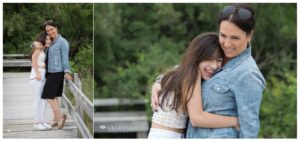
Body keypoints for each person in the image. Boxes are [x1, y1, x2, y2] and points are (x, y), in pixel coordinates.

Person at [151, 4, 266, 138]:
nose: (227, 44)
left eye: (235, 38)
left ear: (249, 35)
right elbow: (186, 69)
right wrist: (160, 82)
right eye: (223, 35)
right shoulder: (219, 57)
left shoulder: (248, 74)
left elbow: (249, 128)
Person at [148, 32, 239, 139]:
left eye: (219, 60)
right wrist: (236, 121)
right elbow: (197, 118)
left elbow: (164, 78)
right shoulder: (193, 74)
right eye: (209, 58)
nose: (214, 66)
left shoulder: (181, 71)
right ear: (198, 56)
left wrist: (157, 83)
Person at [41, 20, 73, 129]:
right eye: (47, 31)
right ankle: (55, 119)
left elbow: (65, 59)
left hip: (57, 72)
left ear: (56, 28)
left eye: (51, 29)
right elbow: (43, 55)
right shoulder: (49, 41)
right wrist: (46, 46)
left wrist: (67, 71)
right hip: (49, 72)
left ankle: (60, 117)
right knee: (54, 96)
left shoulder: (63, 42)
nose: (50, 32)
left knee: (47, 95)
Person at [30, 32, 52, 130]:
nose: (49, 41)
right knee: (37, 99)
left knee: (43, 99)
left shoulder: (43, 49)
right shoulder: (38, 48)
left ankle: (42, 120)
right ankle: (36, 122)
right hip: (37, 75)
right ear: (42, 40)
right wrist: (38, 73)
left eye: (49, 39)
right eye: (47, 39)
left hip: (43, 75)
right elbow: (33, 60)